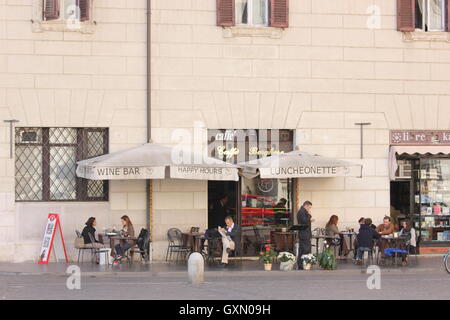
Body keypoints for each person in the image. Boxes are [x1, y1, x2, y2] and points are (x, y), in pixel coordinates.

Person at [296, 201, 314, 270]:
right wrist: (309, 215)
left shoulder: (302, 211)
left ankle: (301, 265)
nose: (309, 209)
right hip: (304, 234)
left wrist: (309, 219)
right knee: (306, 250)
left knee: (302, 250)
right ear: (306, 206)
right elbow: (304, 221)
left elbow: (305, 221)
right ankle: (304, 264)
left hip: (304, 234)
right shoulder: (302, 212)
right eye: (309, 207)